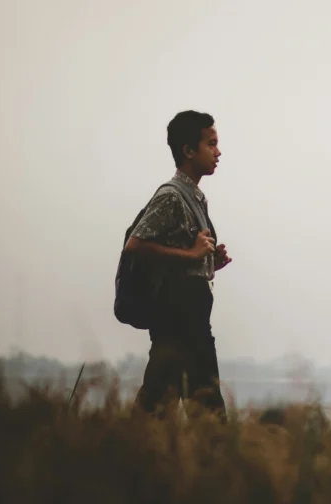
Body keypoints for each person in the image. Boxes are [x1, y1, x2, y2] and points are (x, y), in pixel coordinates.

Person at [125, 110, 231, 421]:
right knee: (187, 408)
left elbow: (186, 256)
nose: (218, 152)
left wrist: (210, 261)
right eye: (211, 144)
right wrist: (192, 256)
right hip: (176, 319)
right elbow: (136, 244)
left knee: (178, 406)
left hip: (193, 316)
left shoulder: (195, 198)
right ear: (188, 151)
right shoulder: (171, 196)